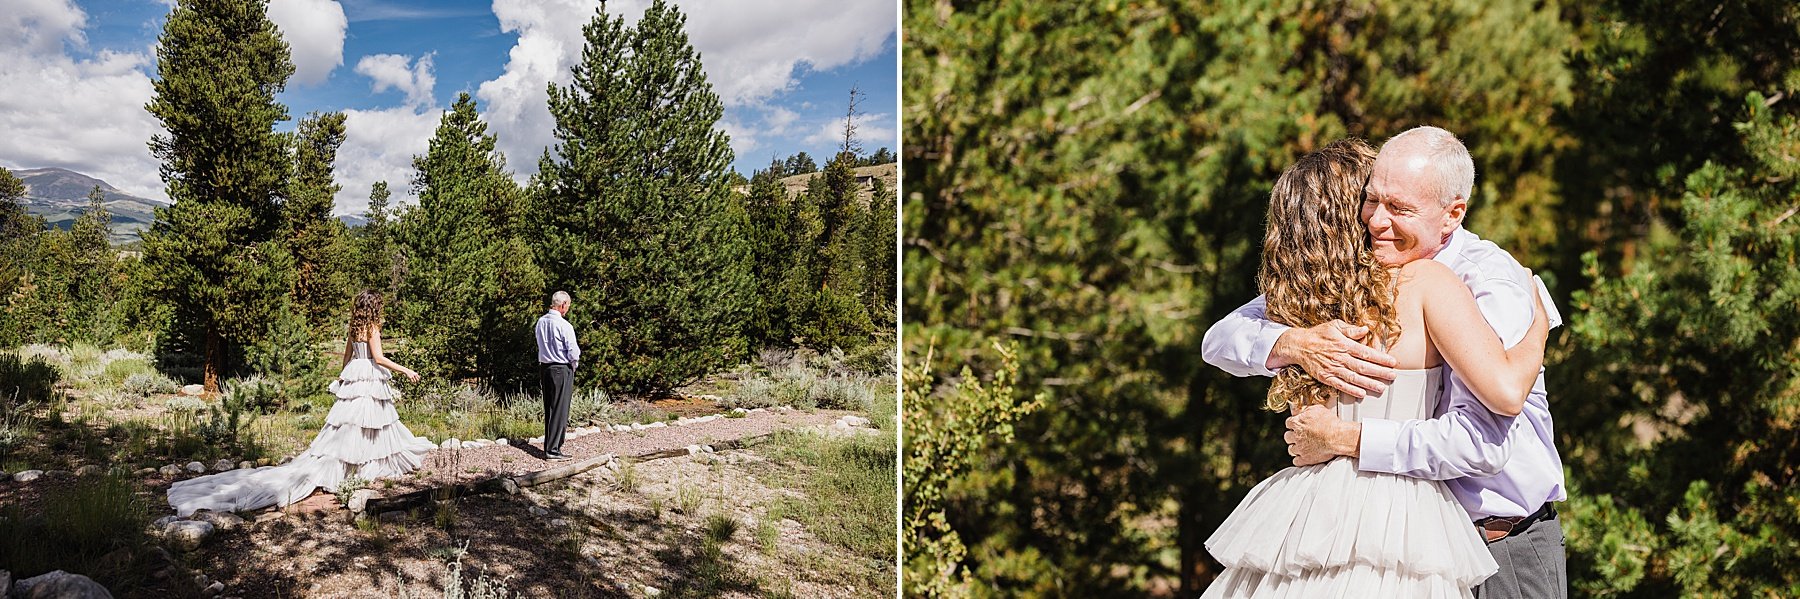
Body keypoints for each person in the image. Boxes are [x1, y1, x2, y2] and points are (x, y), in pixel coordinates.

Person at [1203, 126, 1569, 599]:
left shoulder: (1483, 280)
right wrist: (1294, 342)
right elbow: (1221, 338)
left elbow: (1483, 435)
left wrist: (1345, 437)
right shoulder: (1351, 285)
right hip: (1370, 534)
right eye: (1370, 202)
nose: (1376, 221)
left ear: (1452, 213)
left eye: (1398, 208)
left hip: (1497, 539)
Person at [168, 290, 435, 516]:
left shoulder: (354, 327)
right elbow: (378, 358)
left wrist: (343, 380)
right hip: (369, 376)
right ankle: (363, 464)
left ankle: (355, 463)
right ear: (375, 308)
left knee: (350, 424)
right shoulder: (373, 328)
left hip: (356, 374)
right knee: (371, 422)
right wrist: (405, 370)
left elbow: (346, 358)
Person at [535, 291, 580, 462]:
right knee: (560, 409)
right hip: (561, 368)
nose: (568, 309)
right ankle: (553, 449)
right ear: (562, 305)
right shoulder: (564, 325)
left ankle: (550, 446)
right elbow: (573, 351)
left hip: (545, 367)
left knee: (550, 408)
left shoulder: (540, 322)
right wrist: (573, 366)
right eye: (567, 306)